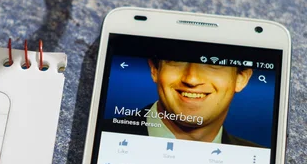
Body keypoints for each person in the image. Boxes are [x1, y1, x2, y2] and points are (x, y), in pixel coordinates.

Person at [110, 59, 259, 146]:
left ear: (241, 78)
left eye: (214, 62)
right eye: (177, 60)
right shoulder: (105, 135)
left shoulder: (258, 160)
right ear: (155, 69)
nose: (191, 79)